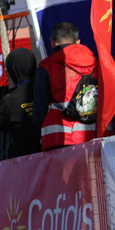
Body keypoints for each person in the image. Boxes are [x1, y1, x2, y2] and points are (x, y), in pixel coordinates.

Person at [32, 22, 99, 151]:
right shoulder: (98, 64)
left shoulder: (47, 67)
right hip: (96, 138)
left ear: (52, 42)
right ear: (78, 42)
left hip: (60, 140)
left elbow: (39, 112)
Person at [0, 47, 41, 157]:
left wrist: (12, 90)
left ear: (13, 70)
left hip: (22, 158)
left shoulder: (10, 100)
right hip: (48, 153)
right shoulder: (45, 89)